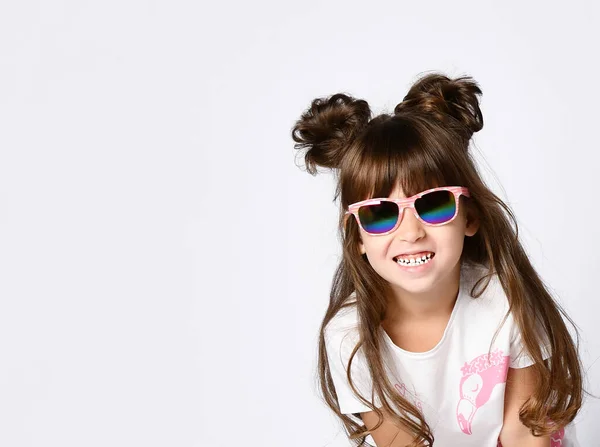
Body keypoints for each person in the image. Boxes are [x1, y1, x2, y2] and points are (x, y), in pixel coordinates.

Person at [291, 73, 587, 446]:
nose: (411, 232)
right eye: (381, 214)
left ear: (470, 216)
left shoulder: (506, 301)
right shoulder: (349, 337)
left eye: (433, 204)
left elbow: (525, 432)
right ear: (357, 238)